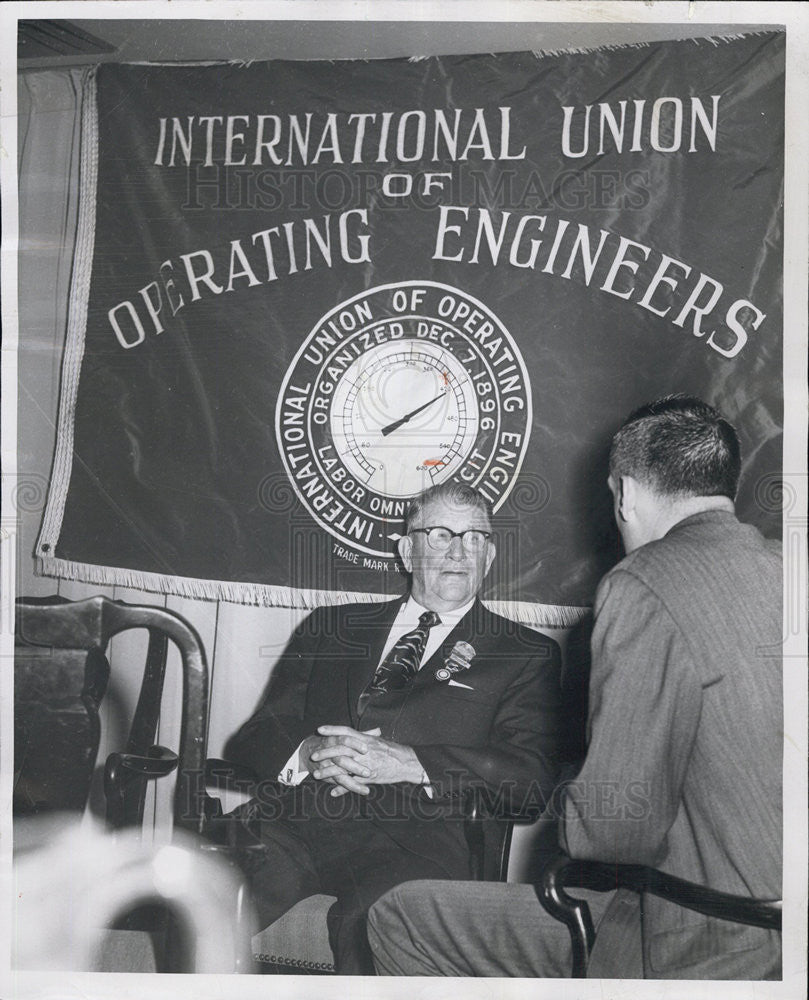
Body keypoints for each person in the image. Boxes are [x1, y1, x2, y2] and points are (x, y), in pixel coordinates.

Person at [368, 395, 783, 980]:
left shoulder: (644, 581)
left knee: (404, 916)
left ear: (627, 493)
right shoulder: (785, 568)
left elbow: (613, 832)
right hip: (782, 933)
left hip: (696, 937)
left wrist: (567, 796)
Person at [221, 482, 564, 974]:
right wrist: (310, 750)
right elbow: (252, 738)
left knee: (372, 930)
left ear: (489, 556)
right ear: (406, 550)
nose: (458, 551)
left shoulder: (525, 655)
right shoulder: (331, 627)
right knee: (201, 901)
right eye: (441, 535)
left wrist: (412, 764)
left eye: (474, 539)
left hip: (417, 845)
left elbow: (530, 781)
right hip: (295, 823)